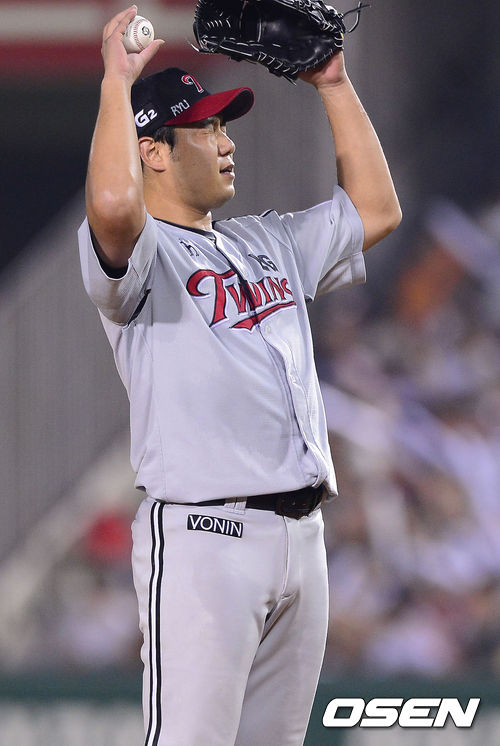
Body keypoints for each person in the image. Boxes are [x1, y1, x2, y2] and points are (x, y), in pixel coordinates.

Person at [78, 5, 401, 745]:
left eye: (225, 126)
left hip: (303, 537)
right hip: (205, 536)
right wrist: (115, 85)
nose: (227, 143)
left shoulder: (267, 242)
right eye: (206, 129)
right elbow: (114, 204)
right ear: (154, 151)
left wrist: (333, 83)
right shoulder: (142, 258)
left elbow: (377, 210)